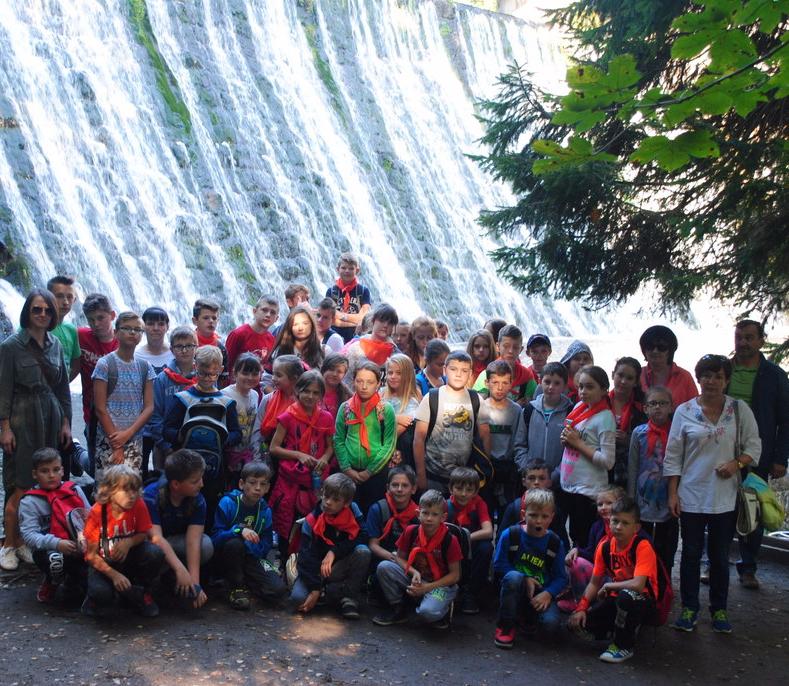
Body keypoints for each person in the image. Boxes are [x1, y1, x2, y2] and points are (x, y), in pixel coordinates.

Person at [664, 354, 760, 634]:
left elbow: (754, 447)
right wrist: (672, 493)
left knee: (719, 556)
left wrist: (736, 463)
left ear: (726, 380)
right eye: (706, 375)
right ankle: (690, 608)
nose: (712, 381)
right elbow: (673, 456)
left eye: (718, 376)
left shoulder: (739, 410)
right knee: (691, 554)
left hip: (725, 497)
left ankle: (719, 608)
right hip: (691, 494)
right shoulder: (684, 411)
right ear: (698, 378)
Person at [0, 289, 72, 571]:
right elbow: (3, 391)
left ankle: (28, 540)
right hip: (22, 417)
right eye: (36, 310)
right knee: (19, 480)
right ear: (27, 312)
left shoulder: (55, 344)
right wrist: (4, 427)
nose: (42, 315)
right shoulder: (10, 346)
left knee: (46, 478)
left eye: (47, 311)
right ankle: (9, 544)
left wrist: (66, 421)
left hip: (51, 416)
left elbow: (62, 386)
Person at [728, 319, 789, 590]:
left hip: (757, 454)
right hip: (722, 451)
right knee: (717, 509)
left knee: (752, 510)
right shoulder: (723, 370)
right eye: (739, 337)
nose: (743, 343)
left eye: (749, 337)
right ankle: (712, 560)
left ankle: (748, 567)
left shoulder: (774, 375)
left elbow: (785, 420)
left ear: (761, 340)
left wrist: (780, 458)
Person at [567, 497, 659, 664]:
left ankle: (623, 645)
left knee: (627, 596)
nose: (618, 527)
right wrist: (581, 608)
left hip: (642, 600)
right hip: (615, 597)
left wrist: (609, 585)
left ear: (636, 527)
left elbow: (638, 585)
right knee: (577, 624)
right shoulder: (605, 547)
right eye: (615, 521)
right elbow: (594, 583)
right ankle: (612, 629)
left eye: (625, 523)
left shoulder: (642, 545)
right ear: (609, 522)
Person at [164, 345, 241, 523]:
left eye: (212, 374)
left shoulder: (227, 403)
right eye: (203, 373)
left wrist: (221, 440)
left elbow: (237, 433)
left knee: (210, 505)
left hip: (215, 467)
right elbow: (167, 430)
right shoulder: (183, 398)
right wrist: (182, 437)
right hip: (185, 465)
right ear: (195, 368)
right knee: (183, 505)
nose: (207, 378)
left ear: (221, 371)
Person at [81, 465, 165, 618]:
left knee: (155, 553)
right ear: (110, 491)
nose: (132, 495)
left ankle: (141, 591)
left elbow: (143, 533)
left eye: (135, 490)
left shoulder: (138, 504)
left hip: (128, 559)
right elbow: (91, 556)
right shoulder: (97, 512)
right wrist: (114, 575)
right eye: (126, 490)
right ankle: (95, 597)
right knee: (102, 596)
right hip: (104, 563)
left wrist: (129, 542)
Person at [269, 370, 335, 560]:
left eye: (316, 393)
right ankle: (284, 560)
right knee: (287, 519)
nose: (310, 396)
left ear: (321, 395)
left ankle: (306, 560)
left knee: (313, 519)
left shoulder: (326, 418)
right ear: (298, 391)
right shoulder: (288, 417)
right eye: (306, 391)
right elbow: (274, 448)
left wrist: (324, 458)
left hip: (316, 477)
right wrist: (298, 455)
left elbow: (330, 447)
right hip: (291, 478)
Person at [372, 489, 461, 628]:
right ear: (418, 514)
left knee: (427, 612)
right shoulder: (411, 531)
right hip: (417, 579)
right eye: (425, 513)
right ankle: (398, 607)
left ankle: (442, 610)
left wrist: (427, 588)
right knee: (384, 566)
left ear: (443, 517)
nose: (429, 518)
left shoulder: (450, 540)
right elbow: (399, 558)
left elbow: (455, 576)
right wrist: (414, 572)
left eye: (434, 514)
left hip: (440, 584)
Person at [289, 473, 370, 619]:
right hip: (316, 568)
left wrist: (334, 552)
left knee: (363, 551)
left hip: (338, 564)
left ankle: (349, 598)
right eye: (326, 496)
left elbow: (363, 535)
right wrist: (314, 588)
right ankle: (325, 591)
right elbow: (307, 556)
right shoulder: (312, 519)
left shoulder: (353, 510)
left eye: (335, 500)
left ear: (347, 503)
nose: (328, 503)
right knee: (298, 600)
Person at [493, 489, 566, 649]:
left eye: (544, 516)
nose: (538, 521)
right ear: (523, 514)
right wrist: (525, 579)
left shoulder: (554, 543)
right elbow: (499, 564)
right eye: (533, 515)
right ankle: (505, 626)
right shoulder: (511, 535)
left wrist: (549, 593)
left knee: (551, 626)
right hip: (515, 587)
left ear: (551, 517)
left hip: (540, 592)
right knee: (513, 578)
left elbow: (561, 577)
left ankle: (527, 617)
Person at [212, 461, 287, 610]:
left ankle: (247, 583)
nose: (257, 488)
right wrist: (239, 531)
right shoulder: (228, 502)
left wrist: (253, 548)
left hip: (251, 556)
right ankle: (236, 587)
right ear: (241, 484)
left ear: (267, 488)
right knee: (235, 543)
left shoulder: (265, 511)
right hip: (228, 554)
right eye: (252, 483)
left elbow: (266, 544)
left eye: (263, 484)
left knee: (279, 590)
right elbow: (215, 538)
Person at [413, 351, 491, 493]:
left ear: (470, 373)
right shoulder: (432, 398)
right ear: (444, 370)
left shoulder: (476, 400)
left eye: (464, 370)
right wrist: (421, 475)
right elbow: (419, 438)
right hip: (433, 476)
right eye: (453, 369)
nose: (458, 374)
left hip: (465, 480)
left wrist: (484, 469)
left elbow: (485, 436)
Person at [19, 448, 89, 604]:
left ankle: (75, 579)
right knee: (55, 560)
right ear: (34, 474)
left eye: (56, 470)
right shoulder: (29, 501)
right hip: (51, 549)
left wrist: (85, 539)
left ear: (63, 471)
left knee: (87, 589)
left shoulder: (74, 490)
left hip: (80, 543)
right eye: (44, 471)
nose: (51, 475)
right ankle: (52, 580)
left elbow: (90, 516)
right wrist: (57, 543)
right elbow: (29, 536)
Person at [142, 449, 210, 608]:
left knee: (205, 545)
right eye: (195, 481)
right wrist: (180, 570)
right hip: (152, 544)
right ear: (176, 484)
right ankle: (147, 588)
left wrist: (195, 584)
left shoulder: (198, 500)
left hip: (176, 542)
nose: (201, 484)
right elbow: (156, 538)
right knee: (153, 552)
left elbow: (193, 541)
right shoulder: (151, 496)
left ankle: (175, 581)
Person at [92, 312, 155, 477]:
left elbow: (149, 407)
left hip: (134, 439)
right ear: (116, 332)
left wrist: (128, 433)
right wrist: (117, 444)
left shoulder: (145, 367)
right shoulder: (105, 364)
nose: (133, 333)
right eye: (127, 328)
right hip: (108, 440)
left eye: (137, 329)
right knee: (106, 489)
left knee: (130, 490)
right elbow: (100, 408)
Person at [559, 365, 616, 547]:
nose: (583, 391)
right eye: (581, 386)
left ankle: (587, 573)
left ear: (604, 390)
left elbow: (608, 461)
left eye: (590, 387)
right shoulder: (579, 407)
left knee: (586, 538)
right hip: (570, 483)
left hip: (589, 489)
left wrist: (578, 444)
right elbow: (575, 437)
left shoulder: (605, 417)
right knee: (574, 534)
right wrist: (567, 440)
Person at [627, 386, 678, 574]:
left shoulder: (677, 433)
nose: (658, 408)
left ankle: (664, 579)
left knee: (666, 543)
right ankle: (643, 578)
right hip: (643, 497)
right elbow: (633, 466)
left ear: (671, 407)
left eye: (663, 403)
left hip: (669, 498)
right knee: (643, 542)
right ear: (645, 408)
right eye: (653, 403)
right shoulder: (638, 433)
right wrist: (631, 498)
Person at [334, 362, 396, 513]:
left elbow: (389, 444)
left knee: (374, 512)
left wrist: (369, 471)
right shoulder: (345, 408)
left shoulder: (385, 409)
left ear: (378, 384)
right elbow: (338, 439)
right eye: (359, 381)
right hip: (349, 472)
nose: (363, 386)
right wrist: (347, 468)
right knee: (348, 513)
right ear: (353, 381)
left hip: (376, 473)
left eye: (370, 382)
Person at [562, 485, 624, 613]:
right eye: (600, 504)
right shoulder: (597, 526)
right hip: (600, 575)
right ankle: (580, 603)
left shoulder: (626, 527)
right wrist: (577, 550)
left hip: (622, 579)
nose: (604, 507)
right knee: (576, 562)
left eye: (609, 503)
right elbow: (591, 553)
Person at [513, 361, 573, 488]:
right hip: (532, 480)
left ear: (564, 386)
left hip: (559, 479)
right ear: (540, 381)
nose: (551, 387)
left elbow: (572, 449)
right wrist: (527, 470)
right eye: (547, 382)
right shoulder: (529, 410)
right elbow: (519, 444)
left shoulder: (570, 412)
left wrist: (557, 474)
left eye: (557, 383)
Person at [447, 467, 493, 615]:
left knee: (486, 548)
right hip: (450, 548)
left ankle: (471, 593)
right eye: (459, 488)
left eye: (469, 489)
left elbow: (488, 531)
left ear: (475, 492)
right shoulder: (445, 505)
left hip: (471, 546)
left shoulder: (479, 504)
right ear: (451, 488)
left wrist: (465, 539)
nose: (464, 494)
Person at [496, 458, 569, 550]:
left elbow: (563, 545)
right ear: (523, 482)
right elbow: (500, 541)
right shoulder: (514, 508)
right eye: (531, 478)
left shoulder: (555, 511)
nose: (536, 482)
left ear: (550, 482)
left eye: (542, 478)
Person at [149, 327, 197, 466]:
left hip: (196, 444)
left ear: (196, 347)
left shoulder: (204, 376)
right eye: (179, 346)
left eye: (189, 346)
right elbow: (155, 415)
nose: (184, 350)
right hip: (165, 446)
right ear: (171, 349)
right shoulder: (162, 379)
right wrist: (166, 447)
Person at [365, 466, 419, 575]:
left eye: (405, 485)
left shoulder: (419, 514)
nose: (399, 489)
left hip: (410, 562)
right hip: (383, 560)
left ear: (413, 489)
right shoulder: (378, 509)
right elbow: (373, 545)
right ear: (388, 488)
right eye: (395, 485)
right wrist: (396, 560)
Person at [251, 355, 304, 459]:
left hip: (296, 457)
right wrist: (258, 457)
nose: (273, 378)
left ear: (294, 378)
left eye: (279, 375)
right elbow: (257, 432)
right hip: (269, 455)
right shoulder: (268, 399)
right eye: (273, 373)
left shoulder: (303, 403)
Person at [78, 292, 118, 428]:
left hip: (118, 415)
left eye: (101, 318)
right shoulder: (81, 336)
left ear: (112, 316)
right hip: (91, 413)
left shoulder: (123, 342)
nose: (96, 324)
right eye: (91, 320)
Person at [222, 353, 263, 483]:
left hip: (247, 454)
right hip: (228, 454)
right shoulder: (225, 395)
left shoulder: (255, 395)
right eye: (245, 373)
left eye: (255, 374)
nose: (250, 378)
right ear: (235, 373)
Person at [473, 325, 537, 404]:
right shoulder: (486, 375)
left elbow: (532, 406)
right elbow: (477, 406)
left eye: (516, 347)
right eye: (506, 346)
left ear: (521, 349)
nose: (510, 351)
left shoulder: (527, 377)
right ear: (497, 347)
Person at [609, 357, 646, 488]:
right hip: (601, 467)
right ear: (613, 374)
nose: (623, 381)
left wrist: (629, 440)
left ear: (636, 382)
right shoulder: (600, 402)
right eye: (620, 375)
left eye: (629, 378)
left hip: (629, 469)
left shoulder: (642, 408)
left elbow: (649, 441)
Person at [380, 353, 422, 469]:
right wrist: (397, 418)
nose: (393, 376)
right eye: (390, 372)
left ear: (408, 375)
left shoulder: (414, 397)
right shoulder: (381, 393)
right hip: (378, 444)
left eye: (398, 373)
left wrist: (385, 449)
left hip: (395, 445)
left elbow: (401, 427)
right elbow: (374, 416)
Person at [639, 325, 698, 405]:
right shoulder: (638, 374)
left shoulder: (684, 376)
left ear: (670, 351)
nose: (655, 351)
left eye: (661, 347)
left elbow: (695, 408)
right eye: (650, 347)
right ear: (644, 350)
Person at [340, 303, 399, 382]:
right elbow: (346, 381)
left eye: (390, 323)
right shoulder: (356, 349)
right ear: (373, 320)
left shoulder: (396, 355)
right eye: (382, 320)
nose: (385, 325)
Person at [224, 295, 278, 378]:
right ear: (254, 311)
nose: (268, 315)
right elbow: (227, 364)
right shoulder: (238, 334)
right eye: (264, 310)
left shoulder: (271, 339)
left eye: (272, 312)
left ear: (276, 319)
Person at [326, 252, 372, 343]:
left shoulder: (363, 291)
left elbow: (364, 317)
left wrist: (342, 316)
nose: (347, 271)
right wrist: (355, 321)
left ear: (357, 270)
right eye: (343, 268)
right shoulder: (331, 292)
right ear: (337, 269)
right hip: (334, 337)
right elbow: (331, 319)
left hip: (356, 338)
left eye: (351, 268)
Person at [47, 275, 81, 381]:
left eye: (70, 297)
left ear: (74, 300)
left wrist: (64, 384)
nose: (65, 302)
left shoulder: (71, 330)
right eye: (59, 296)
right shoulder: (37, 326)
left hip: (61, 392)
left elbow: (76, 363)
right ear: (48, 297)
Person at [272, 304, 326, 370]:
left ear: (312, 325)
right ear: (290, 327)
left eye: (305, 323)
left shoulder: (324, 351)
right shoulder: (281, 350)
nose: (300, 328)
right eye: (295, 324)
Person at [192, 298, 229, 388]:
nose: (211, 321)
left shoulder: (221, 348)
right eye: (206, 318)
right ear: (195, 321)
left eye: (214, 318)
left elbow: (223, 378)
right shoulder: (188, 345)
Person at [135, 307, 171, 373]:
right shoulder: (136, 357)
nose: (155, 328)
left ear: (167, 327)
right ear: (143, 327)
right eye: (150, 324)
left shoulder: (176, 353)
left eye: (161, 324)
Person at [559, 340, 593, 404]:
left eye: (586, 359)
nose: (582, 362)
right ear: (568, 361)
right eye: (577, 359)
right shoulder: (558, 382)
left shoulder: (597, 383)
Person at [320, 353, 351, 419]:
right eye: (331, 369)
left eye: (339, 372)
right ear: (324, 369)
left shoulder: (347, 397)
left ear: (344, 375)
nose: (334, 374)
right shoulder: (311, 388)